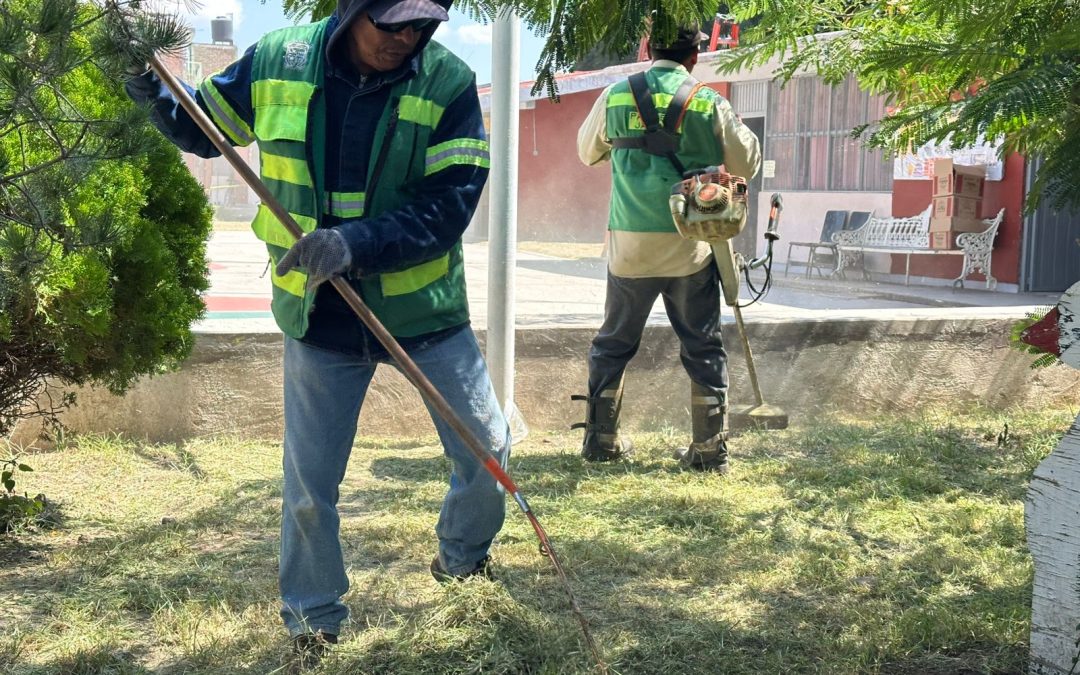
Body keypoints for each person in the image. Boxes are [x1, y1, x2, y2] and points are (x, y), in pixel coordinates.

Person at [125, 0, 508, 666]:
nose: (407, 38)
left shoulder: (446, 83)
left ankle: (463, 562)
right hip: (319, 314)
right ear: (352, 10)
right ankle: (314, 618)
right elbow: (203, 128)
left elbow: (451, 205)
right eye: (392, 23)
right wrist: (150, 87)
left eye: (422, 26)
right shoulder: (279, 61)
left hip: (423, 314)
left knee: (489, 453)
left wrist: (356, 243)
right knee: (309, 486)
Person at [575, 24, 761, 473]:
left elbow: (586, 153)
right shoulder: (708, 99)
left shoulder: (614, 96)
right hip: (690, 245)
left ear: (646, 49)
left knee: (614, 343)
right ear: (695, 56)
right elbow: (748, 164)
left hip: (629, 245)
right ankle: (709, 450)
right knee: (702, 344)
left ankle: (601, 442)